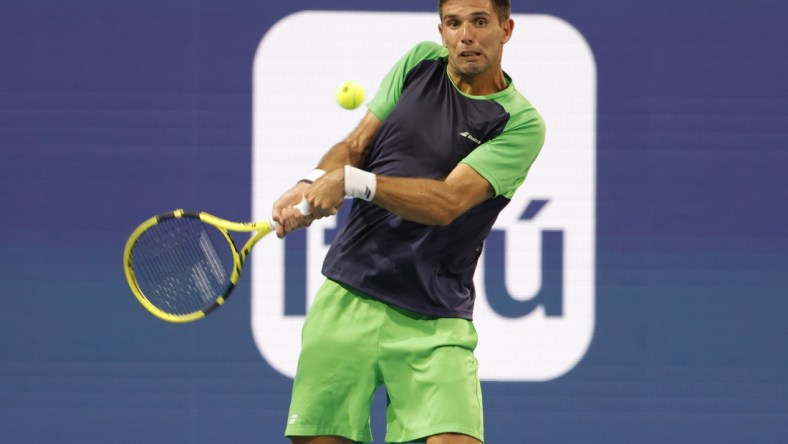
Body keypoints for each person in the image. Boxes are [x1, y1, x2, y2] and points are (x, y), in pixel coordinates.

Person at [272, 0, 545, 442]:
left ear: (506, 29)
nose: (466, 36)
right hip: (348, 298)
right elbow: (357, 145)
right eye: (454, 24)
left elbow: (447, 203)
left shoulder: (519, 123)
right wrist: (313, 182)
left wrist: (351, 183)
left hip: (435, 316)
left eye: (479, 22)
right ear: (441, 31)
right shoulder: (419, 64)